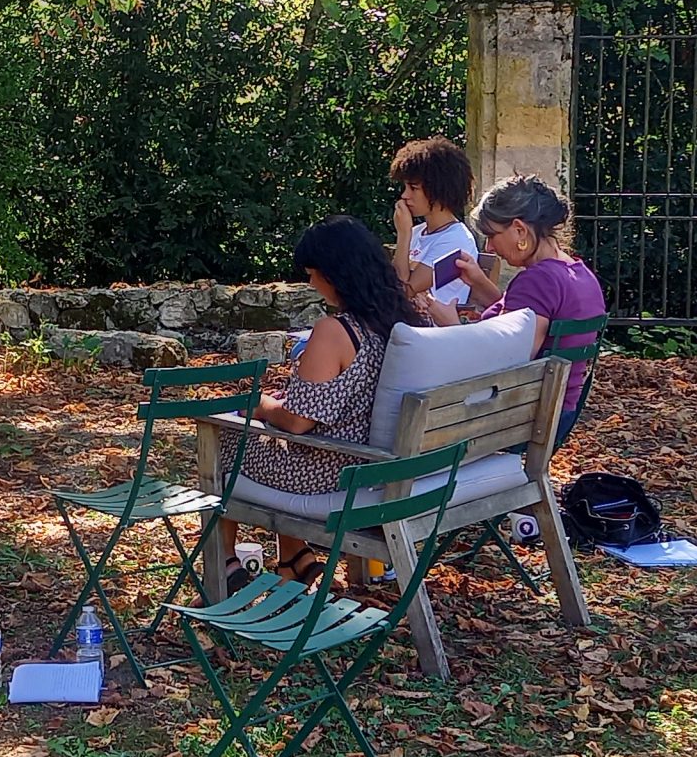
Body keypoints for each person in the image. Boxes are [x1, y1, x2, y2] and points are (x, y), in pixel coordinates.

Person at [236, 217, 429, 513]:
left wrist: (259, 404)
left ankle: (225, 557)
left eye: (313, 274)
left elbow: (299, 422)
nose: (311, 283)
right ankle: (293, 558)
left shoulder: (336, 331)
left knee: (228, 436)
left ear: (335, 274)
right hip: (390, 466)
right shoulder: (412, 320)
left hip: (332, 471)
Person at [416, 173, 607, 435]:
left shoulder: (539, 280)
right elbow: (521, 321)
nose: (491, 248)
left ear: (519, 229)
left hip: (522, 418)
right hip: (560, 410)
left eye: (492, 235)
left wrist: (450, 324)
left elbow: (506, 358)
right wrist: (478, 282)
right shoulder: (578, 273)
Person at [389, 137, 479, 311]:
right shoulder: (418, 232)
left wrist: (403, 234)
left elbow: (402, 293)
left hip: (433, 332)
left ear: (438, 190)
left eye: (413, 188)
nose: (405, 196)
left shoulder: (456, 241)